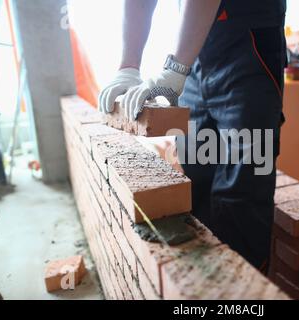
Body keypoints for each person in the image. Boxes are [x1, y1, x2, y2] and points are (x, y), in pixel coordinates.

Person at [99, 0, 287, 270]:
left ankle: (243, 291)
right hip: (197, 55)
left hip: (250, 48)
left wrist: (175, 69)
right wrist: (128, 67)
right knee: (196, 174)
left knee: (243, 186)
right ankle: (204, 280)